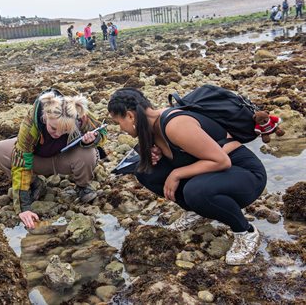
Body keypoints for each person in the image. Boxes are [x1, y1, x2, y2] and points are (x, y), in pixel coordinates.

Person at [107, 88, 267, 265]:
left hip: (246, 175)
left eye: (118, 122)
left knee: (196, 191)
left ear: (130, 116)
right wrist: (159, 156)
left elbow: (222, 161)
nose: (120, 128)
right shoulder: (151, 129)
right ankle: (198, 211)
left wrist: (176, 173)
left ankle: (246, 232)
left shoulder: (175, 125)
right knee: (144, 169)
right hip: (217, 174)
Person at [0, 89, 107, 229]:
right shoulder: (31, 122)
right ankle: (34, 183)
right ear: (45, 116)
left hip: (65, 159)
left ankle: (83, 186)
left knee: (89, 153)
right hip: (38, 159)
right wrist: (24, 208)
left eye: (64, 130)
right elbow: (21, 161)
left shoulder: (77, 112)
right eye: (53, 128)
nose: (58, 134)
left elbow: (102, 132)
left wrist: (91, 140)